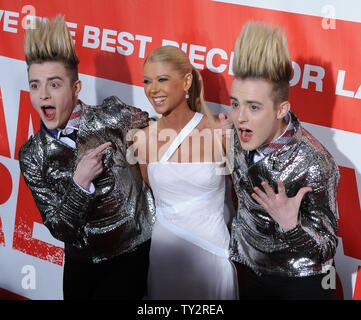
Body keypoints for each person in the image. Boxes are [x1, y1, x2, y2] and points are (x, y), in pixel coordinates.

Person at [18, 15, 155, 300]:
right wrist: (80, 182)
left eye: (54, 84)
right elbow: (59, 228)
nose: (43, 95)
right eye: (35, 85)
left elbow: (166, 132)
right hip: (80, 266)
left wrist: (209, 128)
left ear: (75, 88)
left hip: (131, 258)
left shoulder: (113, 116)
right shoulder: (32, 155)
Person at [228, 21, 340, 299]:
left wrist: (291, 225)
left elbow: (326, 247)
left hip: (303, 284)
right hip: (253, 273)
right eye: (235, 104)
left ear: (281, 109)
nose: (240, 116)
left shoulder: (315, 162)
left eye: (254, 107)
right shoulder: (236, 136)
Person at [134, 45, 238, 299]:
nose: (153, 89)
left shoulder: (219, 133)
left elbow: (243, 195)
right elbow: (153, 191)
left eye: (162, 79)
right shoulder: (142, 140)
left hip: (212, 256)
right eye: (147, 81)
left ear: (186, 81)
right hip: (165, 258)